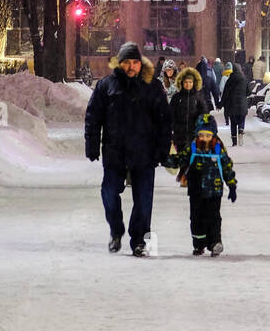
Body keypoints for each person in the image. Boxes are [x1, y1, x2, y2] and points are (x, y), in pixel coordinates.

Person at [84, 42, 171, 257]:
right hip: (115, 151)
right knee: (109, 193)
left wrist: (163, 148)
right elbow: (93, 117)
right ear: (119, 63)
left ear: (140, 64)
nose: (131, 67)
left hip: (144, 151)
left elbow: (164, 120)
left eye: (134, 62)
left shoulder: (152, 87)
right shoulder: (106, 86)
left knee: (143, 200)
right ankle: (116, 229)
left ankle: (139, 239)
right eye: (126, 62)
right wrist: (92, 144)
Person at [176, 113, 237, 256]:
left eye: (208, 135)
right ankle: (199, 244)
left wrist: (232, 185)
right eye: (201, 135)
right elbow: (180, 159)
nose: (204, 138)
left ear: (213, 135)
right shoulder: (192, 148)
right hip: (196, 190)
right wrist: (164, 158)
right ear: (197, 134)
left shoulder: (218, 148)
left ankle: (215, 242)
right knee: (196, 217)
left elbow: (227, 167)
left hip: (214, 190)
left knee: (214, 217)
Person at [169, 66, 209, 156]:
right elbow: (171, 114)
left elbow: (204, 112)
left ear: (194, 83)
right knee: (182, 159)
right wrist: (172, 127)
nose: (188, 84)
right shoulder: (176, 98)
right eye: (186, 82)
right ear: (182, 83)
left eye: (190, 82)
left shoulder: (198, 97)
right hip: (179, 135)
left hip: (194, 134)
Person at [219, 61, 248, 146]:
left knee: (233, 123)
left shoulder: (229, 80)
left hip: (232, 105)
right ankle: (241, 130)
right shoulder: (244, 80)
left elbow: (225, 94)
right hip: (242, 104)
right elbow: (249, 92)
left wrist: (221, 104)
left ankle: (234, 141)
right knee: (242, 119)